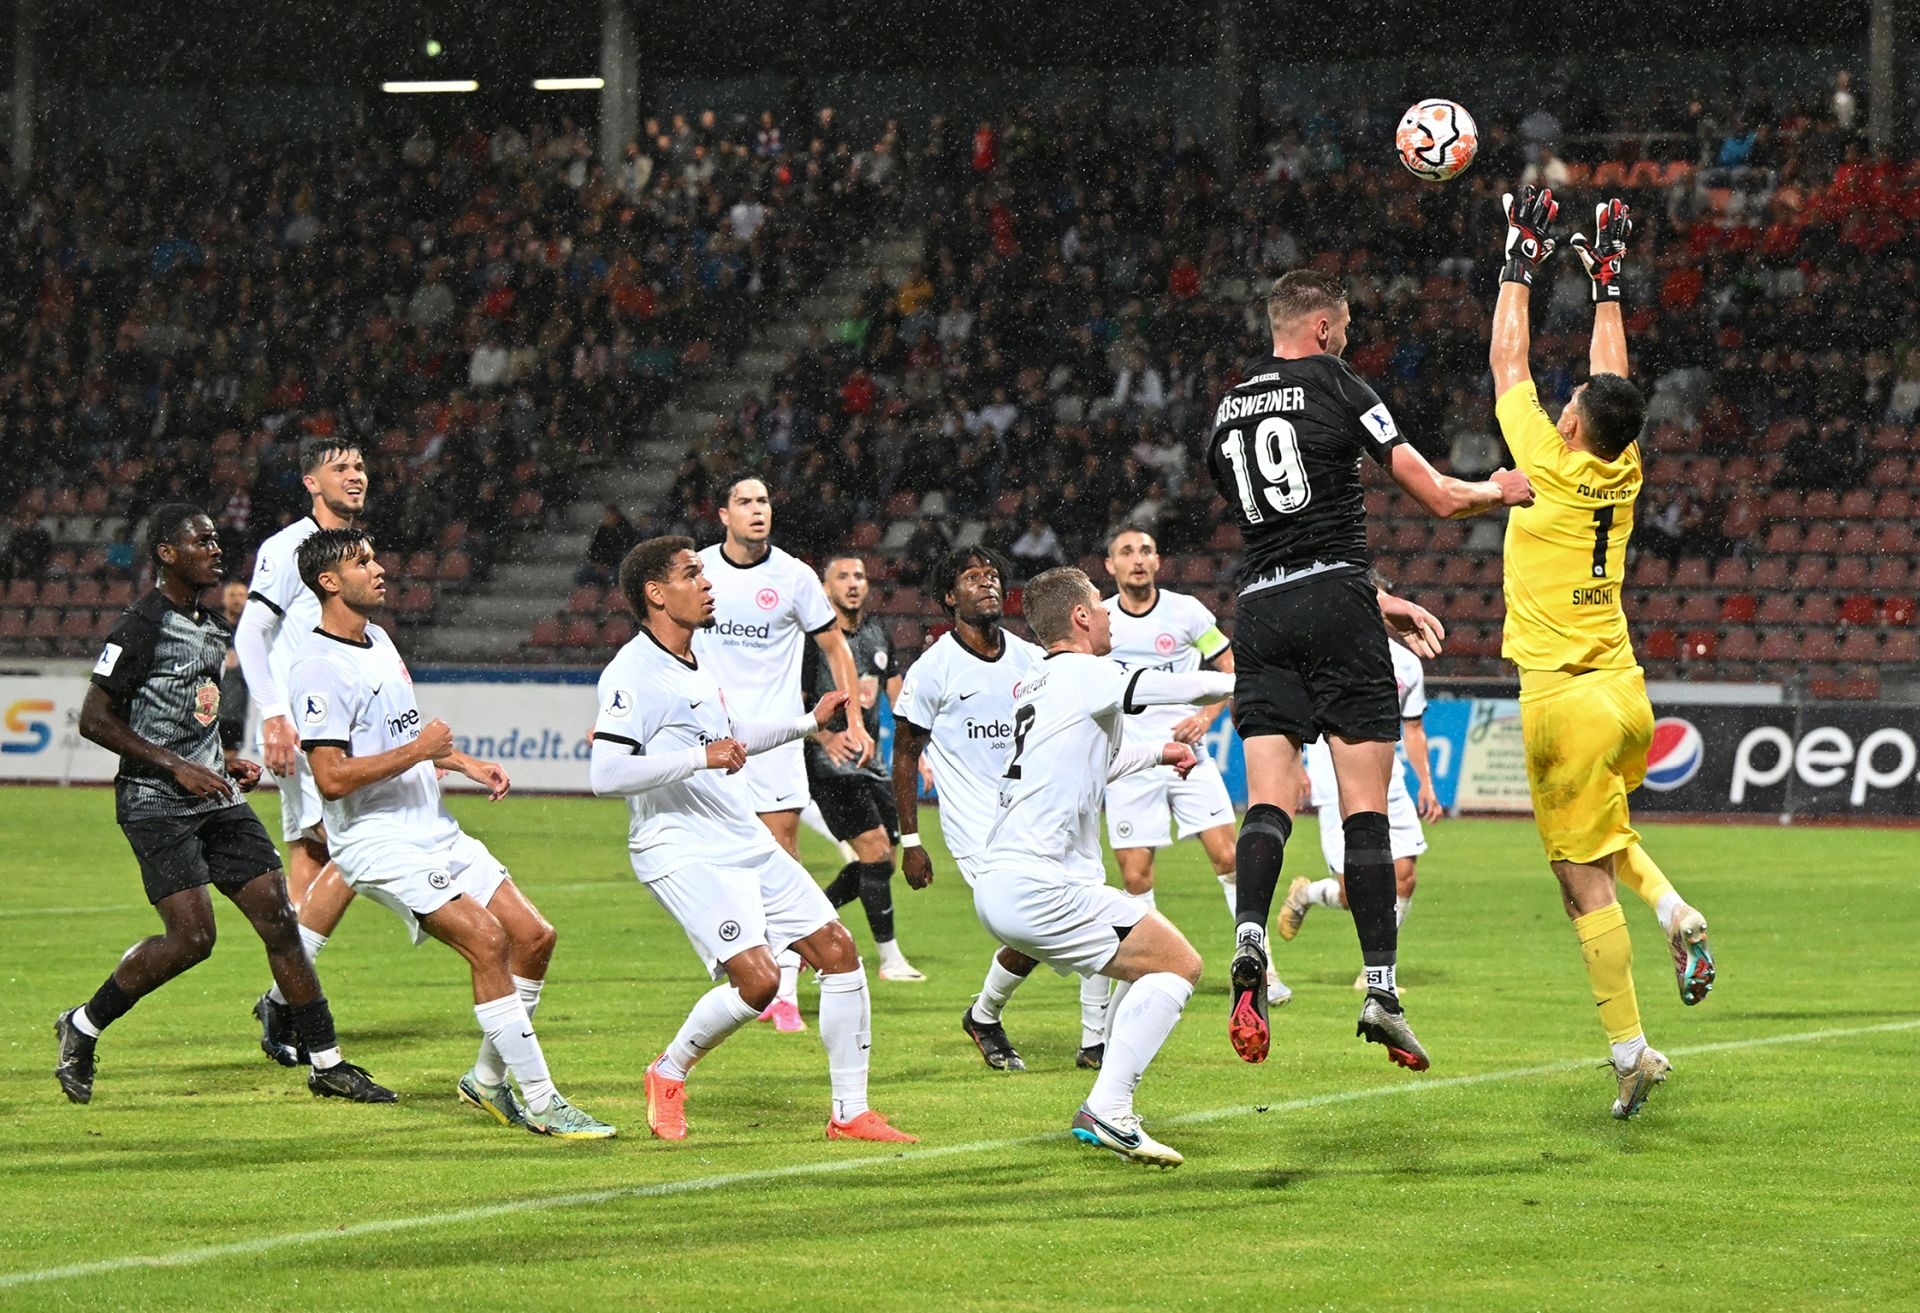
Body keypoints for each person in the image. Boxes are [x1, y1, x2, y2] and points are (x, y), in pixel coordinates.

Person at [1204, 268, 1533, 1070]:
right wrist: (1497, 489)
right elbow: (1438, 496)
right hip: (1338, 599)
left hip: (1261, 609)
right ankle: (1381, 988)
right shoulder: (1338, 382)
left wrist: (1373, 600)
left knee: (1268, 800)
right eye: (1344, 329)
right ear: (1322, 328)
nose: (1346, 340)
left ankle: (1249, 938)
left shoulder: (1228, 408)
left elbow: (1278, 531)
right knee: (1364, 811)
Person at [1489, 189, 1714, 1119]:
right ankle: (1673, 909)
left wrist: (1519, 259)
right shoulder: (1622, 465)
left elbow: (1507, 360)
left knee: (1579, 883)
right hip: (1624, 695)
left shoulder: (1546, 462)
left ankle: (1630, 1052)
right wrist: (1607, 283)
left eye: (1568, 403)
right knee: (1605, 837)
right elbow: (1611, 382)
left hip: (1563, 703)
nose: (1562, 403)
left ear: (1572, 424)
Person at [54, 506, 392, 1106]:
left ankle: (327, 1063)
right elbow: (94, 719)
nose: (216, 549)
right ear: (166, 553)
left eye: (215, 540)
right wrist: (177, 766)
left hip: (214, 795)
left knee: (280, 920)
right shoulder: (140, 625)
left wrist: (220, 759)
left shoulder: (211, 626)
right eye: (201, 541)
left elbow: (193, 713)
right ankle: (82, 1024)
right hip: (156, 802)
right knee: (192, 938)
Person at [289, 528, 615, 1138]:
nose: (379, 568)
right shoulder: (317, 668)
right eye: (362, 562)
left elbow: (399, 736)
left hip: (433, 827)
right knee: (486, 941)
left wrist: (462, 763)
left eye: (375, 556)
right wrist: (420, 749)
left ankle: (486, 1081)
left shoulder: (378, 639)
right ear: (329, 582)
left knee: (534, 937)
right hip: (377, 841)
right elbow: (330, 778)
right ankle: (543, 1101)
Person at [589, 536, 914, 1145]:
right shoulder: (632, 671)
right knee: (760, 983)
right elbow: (605, 774)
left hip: (740, 836)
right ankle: (668, 1071)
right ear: (656, 593)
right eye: (692, 574)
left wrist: (809, 723)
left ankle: (850, 1112)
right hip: (680, 848)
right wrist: (700, 758)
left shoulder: (694, 660)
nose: (707, 583)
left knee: (838, 950)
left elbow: (731, 733)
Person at [974, 567, 1233, 1167]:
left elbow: (1094, 763)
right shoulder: (1086, 673)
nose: (1110, 613)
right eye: (1100, 604)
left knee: (1145, 963)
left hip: (1005, 880)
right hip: (1043, 883)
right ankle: (1109, 1106)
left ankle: (1104, 1089)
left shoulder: (1038, 682)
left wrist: (1159, 752)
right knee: (1179, 964)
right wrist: (1262, 680)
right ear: (1081, 617)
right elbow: (1186, 687)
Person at [894, 546, 1101, 1073]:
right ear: (949, 596)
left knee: (1074, 911)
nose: (986, 583)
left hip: (1034, 816)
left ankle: (1064, 1036)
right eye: (971, 577)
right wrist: (911, 842)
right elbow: (906, 753)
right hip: (976, 830)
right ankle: (1040, 1028)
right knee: (1037, 922)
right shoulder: (933, 669)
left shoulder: (1032, 659)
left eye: (991, 575)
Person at [1098, 526, 1291, 1057]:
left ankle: (1262, 967)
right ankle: (1143, 970)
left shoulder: (1187, 614)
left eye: (1145, 550)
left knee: (1230, 857)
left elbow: (1231, 669)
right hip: (1130, 763)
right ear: (1110, 566)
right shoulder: (1102, 620)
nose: (1137, 559)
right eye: (1126, 552)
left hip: (1189, 757)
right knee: (1135, 877)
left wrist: (1205, 719)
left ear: (1158, 560)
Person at [694, 476, 871, 1032]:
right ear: (724, 515)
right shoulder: (699, 571)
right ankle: (749, 966)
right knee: (719, 866)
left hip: (775, 742)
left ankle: (785, 992)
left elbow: (836, 647)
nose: (757, 510)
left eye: (764, 501)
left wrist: (854, 720)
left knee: (782, 862)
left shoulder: (793, 576)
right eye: (744, 501)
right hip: (712, 740)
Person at [232, 437, 367, 1066]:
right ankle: (284, 1000)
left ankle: (286, 996)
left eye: (359, 466)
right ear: (311, 483)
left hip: (335, 724)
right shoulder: (290, 546)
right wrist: (273, 715)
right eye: (340, 469)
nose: (354, 476)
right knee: (357, 852)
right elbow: (251, 633)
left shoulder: (353, 549)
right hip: (309, 730)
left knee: (312, 855)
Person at [1282, 600, 1444, 984]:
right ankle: (1307, 894)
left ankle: (1376, 973)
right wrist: (1297, 766)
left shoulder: (1407, 663)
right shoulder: (1320, 652)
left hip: (1389, 779)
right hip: (1334, 779)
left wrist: (1426, 783)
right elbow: (1298, 714)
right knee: (1354, 890)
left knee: (1404, 876)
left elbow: (1413, 728)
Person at [803, 553, 924, 982]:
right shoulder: (812, 641)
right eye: (843, 576)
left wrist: (919, 752)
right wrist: (824, 737)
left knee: (884, 860)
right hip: (829, 763)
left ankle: (805, 923)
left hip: (871, 762)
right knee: (874, 849)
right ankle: (890, 960)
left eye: (859, 576)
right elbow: (792, 699)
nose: (853, 583)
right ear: (826, 588)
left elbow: (899, 698)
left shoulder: (877, 633)